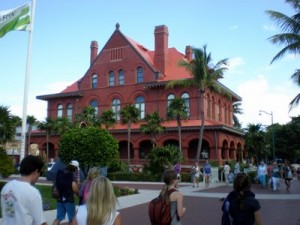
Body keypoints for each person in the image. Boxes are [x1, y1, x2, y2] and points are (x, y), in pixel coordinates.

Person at [1, 155, 47, 225]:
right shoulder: (33, 192)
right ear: (36, 171)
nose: (39, 176)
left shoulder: (6, 187)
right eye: (40, 173)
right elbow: (40, 222)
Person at [52, 160, 80, 225]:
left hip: (59, 198)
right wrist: (79, 194)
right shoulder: (72, 174)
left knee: (59, 217)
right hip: (68, 199)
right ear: (75, 168)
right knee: (72, 219)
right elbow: (74, 188)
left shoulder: (60, 172)